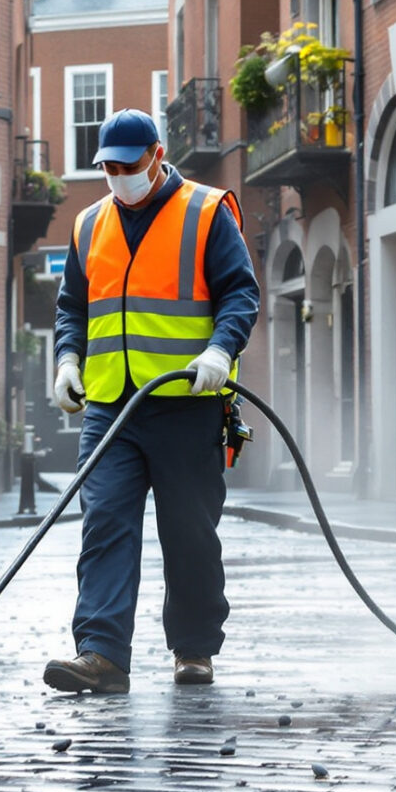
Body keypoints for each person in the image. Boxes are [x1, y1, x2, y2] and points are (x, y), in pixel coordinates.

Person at [43, 109, 259, 693]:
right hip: (112, 406)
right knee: (105, 522)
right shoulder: (89, 223)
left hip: (186, 400)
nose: (116, 176)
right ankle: (102, 654)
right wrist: (66, 360)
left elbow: (241, 292)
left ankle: (194, 649)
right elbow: (72, 307)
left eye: (127, 165)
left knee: (188, 532)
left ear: (156, 156)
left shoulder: (206, 212)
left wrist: (219, 352)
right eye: (107, 167)